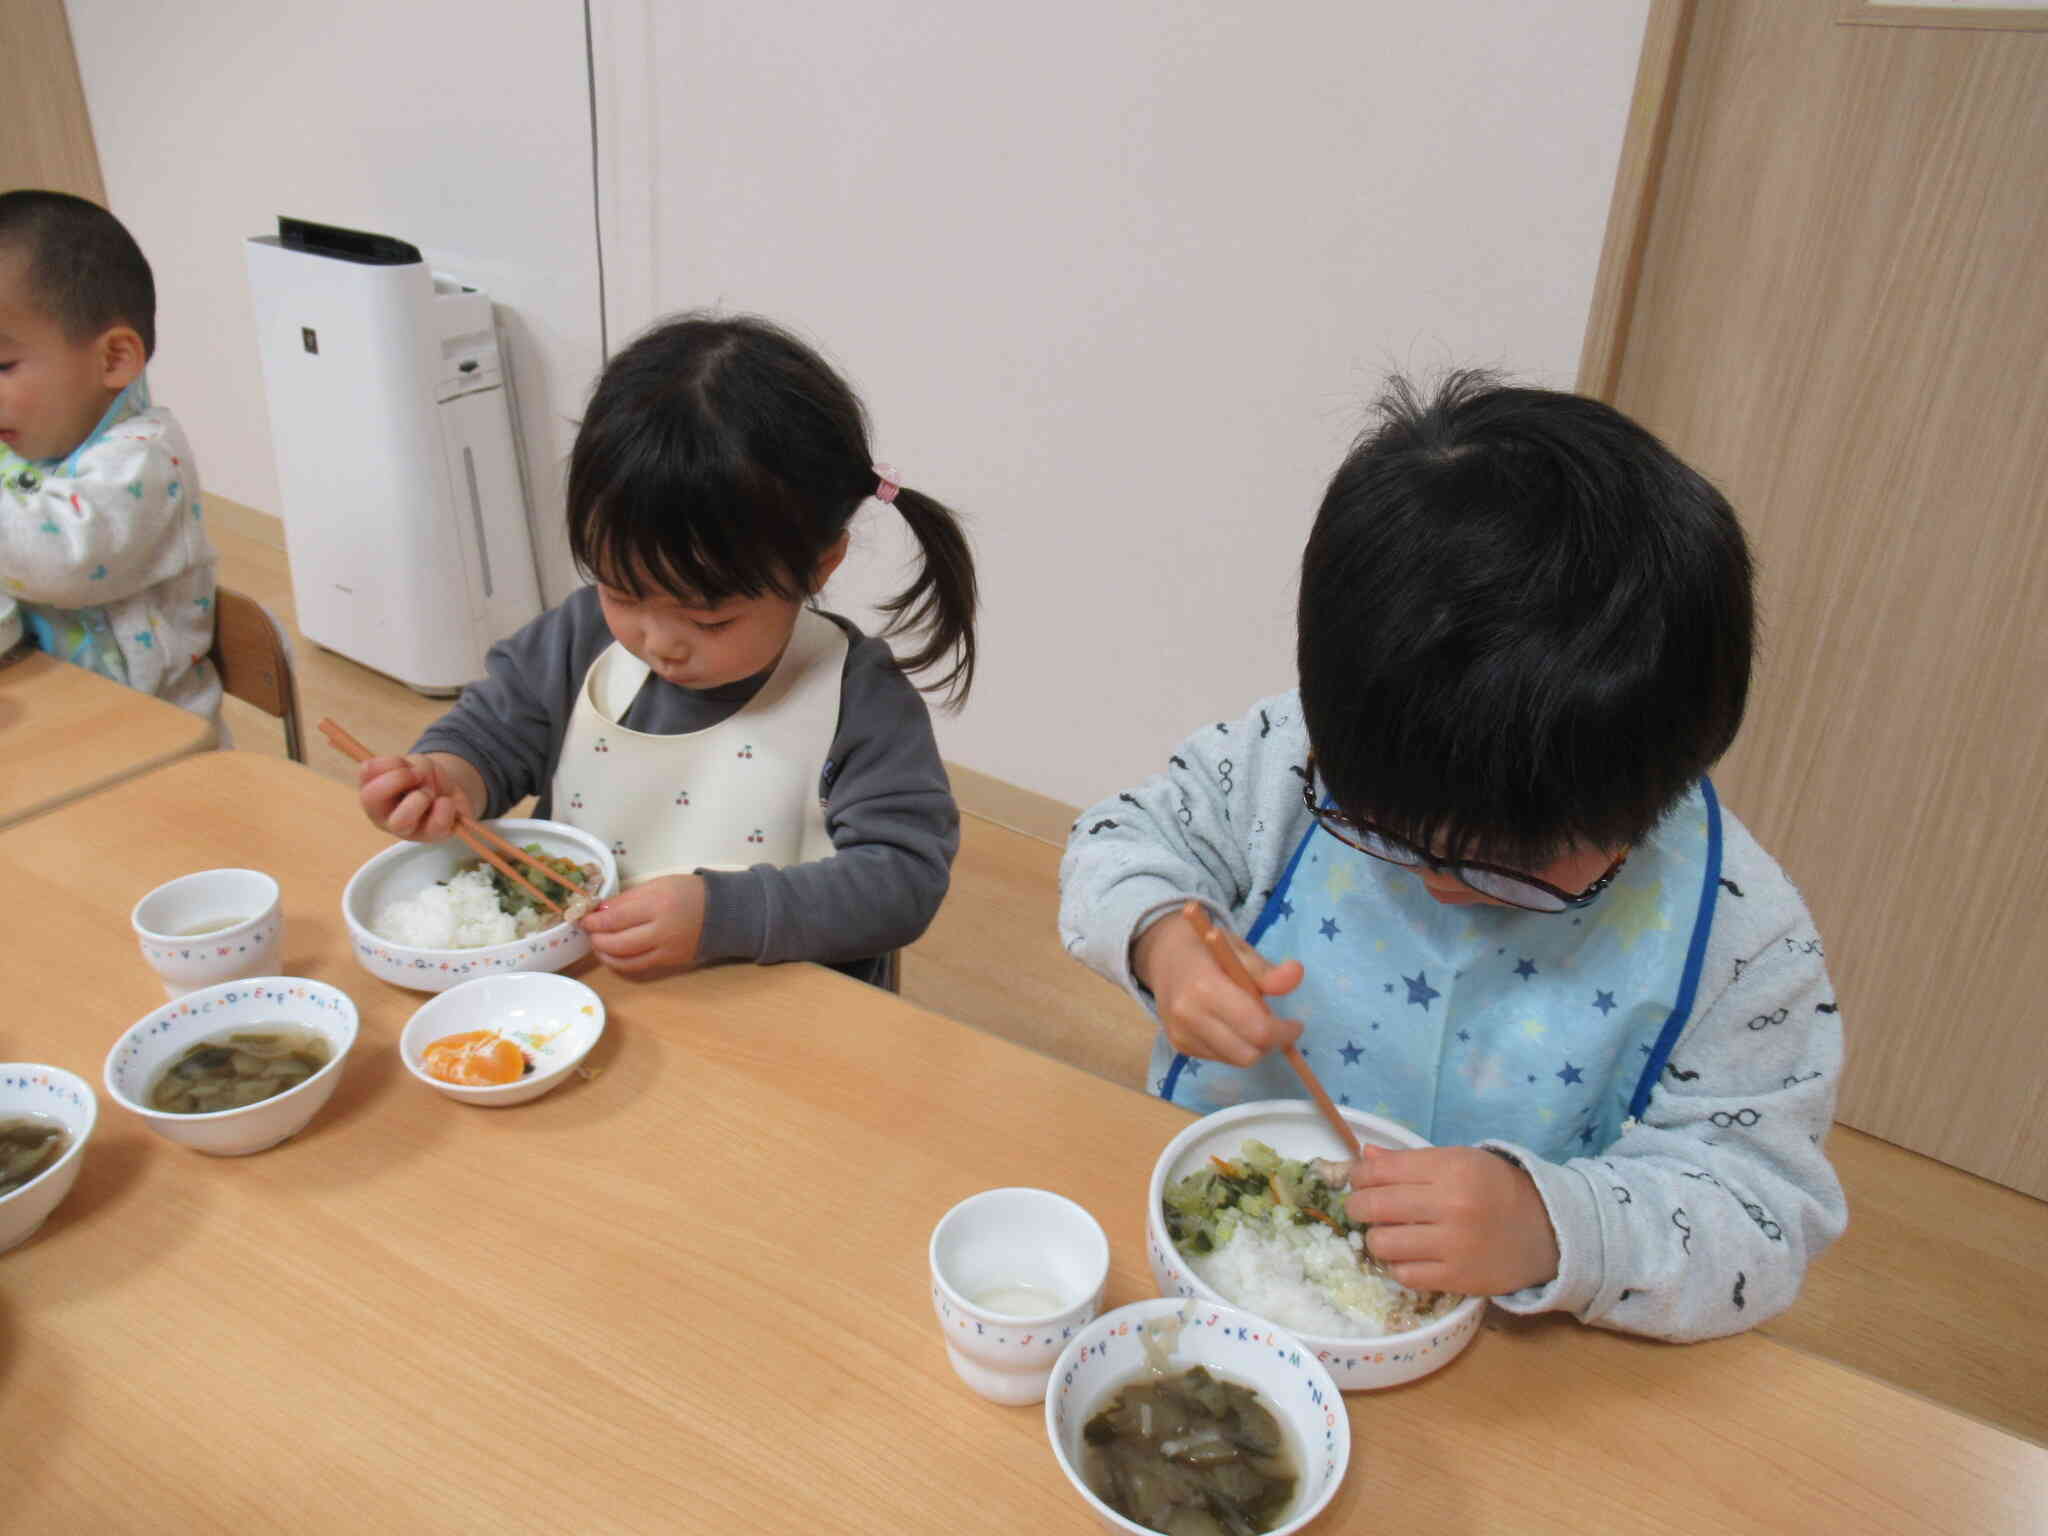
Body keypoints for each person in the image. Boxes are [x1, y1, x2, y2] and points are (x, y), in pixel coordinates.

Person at [1059, 372, 1845, 1342]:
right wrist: (1159, 944)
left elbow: (1764, 1214)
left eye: (1505, 865)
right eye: (1384, 835)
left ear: (1649, 794)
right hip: (1229, 1269)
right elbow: (1117, 840)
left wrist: (1554, 1229)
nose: (1437, 882)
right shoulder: (1291, 761)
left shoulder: (1735, 936)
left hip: (1518, 1351)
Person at [356, 312, 976, 989]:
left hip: (784, 1017)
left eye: (709, 619)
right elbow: (494, 732)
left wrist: (725, 917)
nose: (658, 642)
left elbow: (903, 881)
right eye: (622, 592)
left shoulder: (855, 700)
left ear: (819, 567)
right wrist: (452, 776)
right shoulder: (578, 640)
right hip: (583, 996)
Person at [0, 190, 219, 722]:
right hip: (55, 712)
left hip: (156, 743)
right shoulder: (31, 441)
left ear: (114, 358)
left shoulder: (144, 459)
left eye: (1, 366)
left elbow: (59, 562)